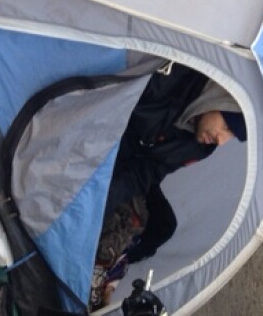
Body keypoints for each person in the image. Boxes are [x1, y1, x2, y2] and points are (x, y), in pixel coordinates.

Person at [91, 63, 247, 309]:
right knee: (98, 199)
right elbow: (120, 102)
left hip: (138, 164)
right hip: (109, 135)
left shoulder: (202, 146)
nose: (221, 140)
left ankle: (111, 269)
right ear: (216, 99)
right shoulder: (177, 78)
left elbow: (150, 171)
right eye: (226, 127)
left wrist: (110, 196)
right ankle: (94, 250)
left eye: (230, 137)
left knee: (163, 226)